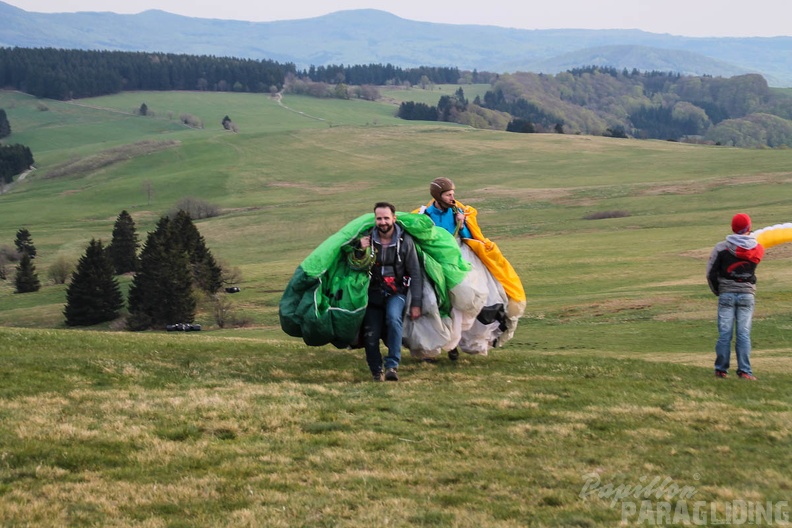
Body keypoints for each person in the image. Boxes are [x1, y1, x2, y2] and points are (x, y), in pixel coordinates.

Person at [356, 202, 423, 381]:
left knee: (394, 319)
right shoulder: (366, 240)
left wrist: (416, 303)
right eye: (379, 218)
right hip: (373, 293)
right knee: (371, 333)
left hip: (396, 292)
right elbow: (353, 266)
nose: (383, 222)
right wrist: (359, 250)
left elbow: (415, 273)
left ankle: (392, 366)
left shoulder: (405, 242)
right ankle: (376, 370)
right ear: (375, 220)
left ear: (394, 218)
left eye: (386, 218)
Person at [706, 213, 764, 380]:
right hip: (747, 295)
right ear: (749, 228)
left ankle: (721, 369)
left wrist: (718, 290)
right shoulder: (758, 248)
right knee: (743, 333)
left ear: (733, 227)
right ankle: (745, 371)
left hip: (726, 294)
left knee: (725, 333)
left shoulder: (721, 248)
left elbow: (711, 273)